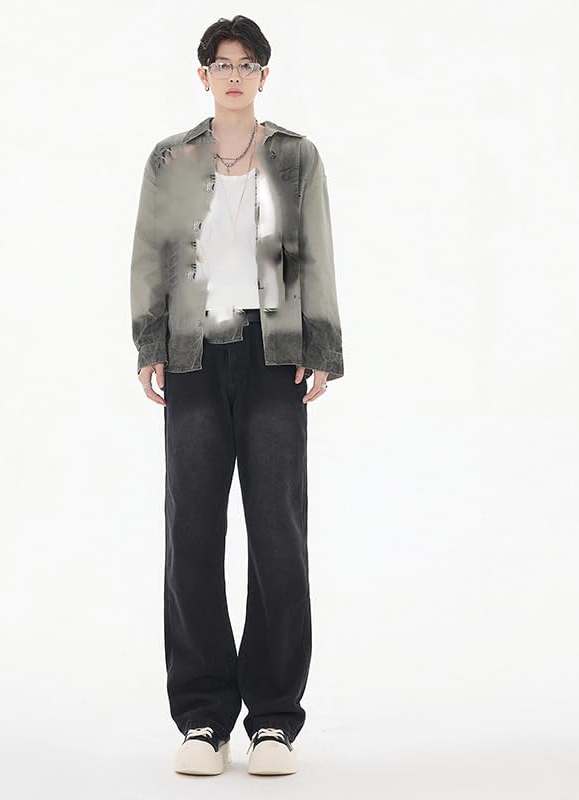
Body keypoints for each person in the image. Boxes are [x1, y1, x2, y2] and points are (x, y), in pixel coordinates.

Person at [129, 14, 344, 777]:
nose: (233, 75)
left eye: (246, 63)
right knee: (191, 532)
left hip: (273, 354)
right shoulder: (171, 159)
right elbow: (151, 255)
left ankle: (274, 721)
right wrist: (150, 344)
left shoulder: (295, 157)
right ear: (203, 75)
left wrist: (321, 346)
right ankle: (202, 717)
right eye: (221, 63)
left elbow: (316, 252)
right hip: (193, 353)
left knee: (278, 536)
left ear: (263, 76)